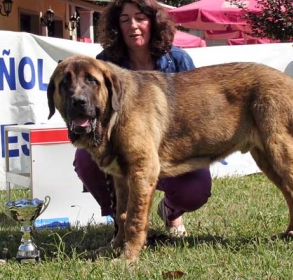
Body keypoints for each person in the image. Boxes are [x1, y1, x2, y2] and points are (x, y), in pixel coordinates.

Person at [73, 0, 212, 237]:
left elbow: (195, 113)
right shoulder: (104, 62)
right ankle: (119, 219)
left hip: (172, 149)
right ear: (117, 26)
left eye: (140, 18)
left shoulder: (179, 60)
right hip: (124, 150)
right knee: (85, 159)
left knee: (196, 190)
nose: (133, 26)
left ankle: (171, 211)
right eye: (125, 20)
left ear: (154, 22)